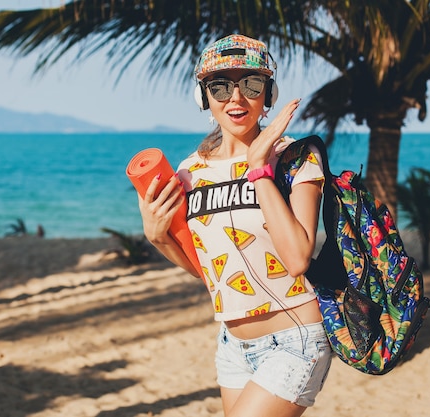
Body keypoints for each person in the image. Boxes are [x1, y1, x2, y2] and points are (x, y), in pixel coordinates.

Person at [137, 34, 331, 417]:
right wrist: (157, 238)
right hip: (232, 345)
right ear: (204, 97)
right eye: (220, 86)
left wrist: (259, 169)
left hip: (295, 339)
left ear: (268, 94)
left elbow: (297, 259)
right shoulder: (191, 171)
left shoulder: (295, 157)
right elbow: (209, 271)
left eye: (251, 84)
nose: (236, 98)